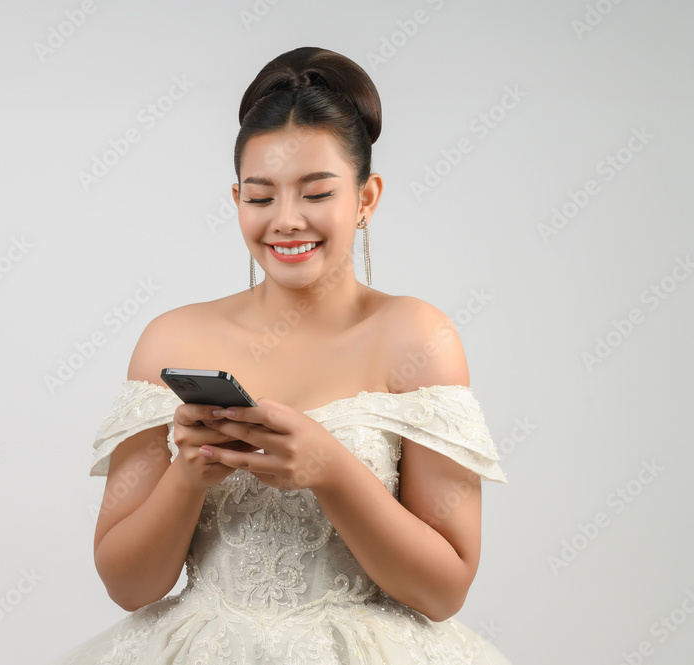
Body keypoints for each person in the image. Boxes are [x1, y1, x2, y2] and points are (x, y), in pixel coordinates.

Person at [48, 46, 512, 664]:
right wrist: (188, 474)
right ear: (236, 198)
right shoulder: (170, 340)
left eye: (316, 193)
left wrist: (330, 469)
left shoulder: (418, 338)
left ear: (366, 198)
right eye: (261, 198)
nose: (287, 221)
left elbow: (443, 590)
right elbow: (128, 587)